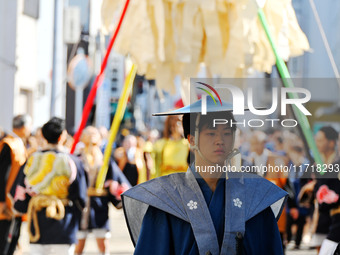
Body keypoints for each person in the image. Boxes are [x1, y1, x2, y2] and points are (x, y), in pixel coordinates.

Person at [122, 97, 287, 254]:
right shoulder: (167, 200)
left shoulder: (254, 197)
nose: (220, 140)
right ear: (192, 139)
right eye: (211, 133)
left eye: (227, 133)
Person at [13, 117, 87, 255]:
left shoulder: (32, 160)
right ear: (62, 136)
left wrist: (20, 207)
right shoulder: (73, 161)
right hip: (64, 219)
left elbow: (21, 192)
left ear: (43, 136)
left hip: (38, 221)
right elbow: (81, 197)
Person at [75, 126, 130, 255]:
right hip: (81, 204)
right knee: (78, 245)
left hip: (99, 204)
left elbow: (119, 180)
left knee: (103, 245)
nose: (91, 137)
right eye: (88, 134)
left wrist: (115, 186)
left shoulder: (105, 160)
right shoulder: (77, 158)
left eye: (94, 134)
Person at [0, 114, 31, 255]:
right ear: (24, 127)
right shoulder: (9, 144)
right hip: (7, 202)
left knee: (13, 240)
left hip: (15, 201)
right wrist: (2, 202)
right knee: (5, 243)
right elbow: (2, 175)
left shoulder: (17, 143)